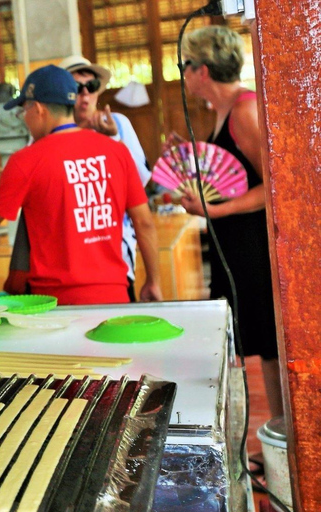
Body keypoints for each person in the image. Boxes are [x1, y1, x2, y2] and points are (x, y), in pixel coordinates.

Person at [0, 65, 162, 305]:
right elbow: (144, 223)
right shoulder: (117, 151)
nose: (24, 118)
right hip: (115, 295)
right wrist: (153, 280)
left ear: (38, 109)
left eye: (24, 110)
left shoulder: (26, 160)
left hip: (55, 304)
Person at [179, 25, 282, 418]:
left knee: (271, 347)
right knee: (257, 346)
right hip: (234, 245)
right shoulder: (224, 110)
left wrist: (215, 210)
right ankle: (277, 435)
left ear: (203, 70)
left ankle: (284, 441)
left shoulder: (245, 109)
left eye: (186, 66)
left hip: (255, 247)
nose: (183, 75)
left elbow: (275, 187)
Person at [59, 55, 152, 301]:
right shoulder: (52, 134)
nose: (85, 95)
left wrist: (112, 140)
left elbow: (140, 183)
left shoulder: (119, 124)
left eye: (91, 87)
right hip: (68, 254)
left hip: (116, 248)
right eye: (76, 88)